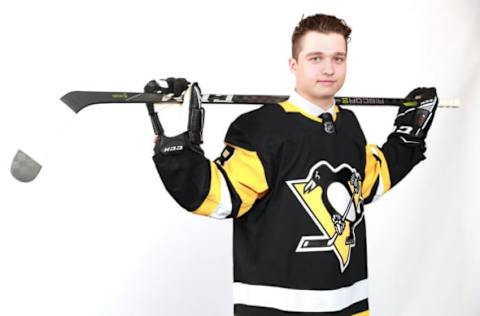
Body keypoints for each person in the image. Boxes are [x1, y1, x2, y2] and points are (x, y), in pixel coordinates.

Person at [150, 13, 438, 316]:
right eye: (316, 58)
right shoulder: (260, 128)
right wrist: (176, 147)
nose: (329, 69)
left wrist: (407, 140)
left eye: (338, 59)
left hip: (349, 307)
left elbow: (367, 182)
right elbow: (222, 197)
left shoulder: (348, 125)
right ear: (293, 64)